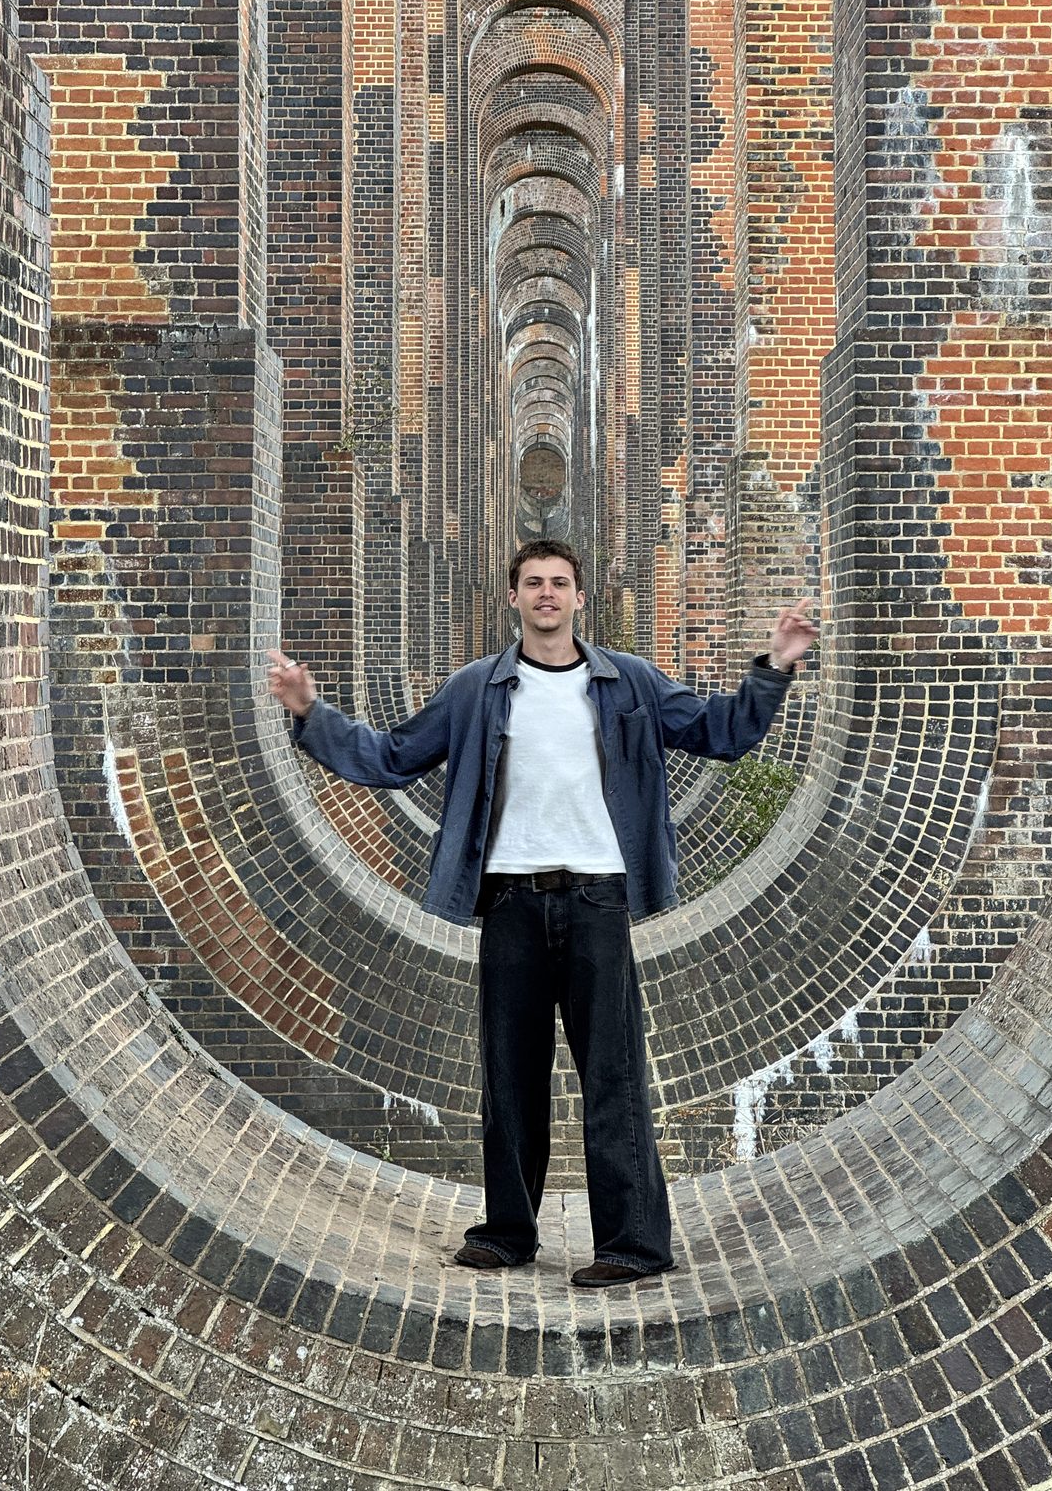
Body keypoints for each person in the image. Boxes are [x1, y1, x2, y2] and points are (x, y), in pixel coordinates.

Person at [267, 541, 817, 1287]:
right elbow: (394, 757)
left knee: (613, 1074)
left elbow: (720, 733)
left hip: (597, 899)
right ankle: (507, 1232)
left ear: (579, 598)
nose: (547, 594)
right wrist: (310, 712)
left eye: (560, 583)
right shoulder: (476, 689)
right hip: (511, 901)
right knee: (509, 1075)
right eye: (534, 583)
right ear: (514, 597)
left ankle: (633, 1243)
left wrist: (775, 665)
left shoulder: (629, 682)